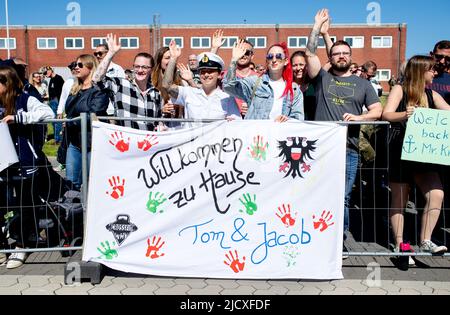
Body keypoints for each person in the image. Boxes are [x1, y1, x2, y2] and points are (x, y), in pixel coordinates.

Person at [305, 9, 382, 235]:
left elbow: (377, 110)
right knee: (316, 192)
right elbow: (310, 53)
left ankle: (339, 238)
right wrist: (317, 28)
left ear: (350, 56)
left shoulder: (363, 84)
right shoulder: (322, 78)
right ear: (330, 57)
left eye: (345, 53)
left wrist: (360, 117)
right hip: (321, 148)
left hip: (349, 149)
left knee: (343, 196)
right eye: (336, 53)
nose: (340, 56)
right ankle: (316, 234)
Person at [382, 55, 450, 258]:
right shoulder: (399, 89)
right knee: (400, 198)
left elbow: (448, 111)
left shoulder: (432, 94)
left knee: (436, 194)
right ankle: (400, 244)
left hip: (425, 154)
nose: (435, 73)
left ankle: (426, 240)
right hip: (400, 151)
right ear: (421, 71)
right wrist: (405, 114)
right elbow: (386, 114)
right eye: (431, 69)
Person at [0, 65, 54, 269]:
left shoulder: (26, 99)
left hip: (25, 162)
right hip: (2, 164)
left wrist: (19, 118)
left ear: (7, 83)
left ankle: (21, 245)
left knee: (25, 205)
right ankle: (2, 245)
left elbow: (48, 114)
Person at [92, 34, 162, 131]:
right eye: (137, 66)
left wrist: (161, 127)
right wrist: (110, 53)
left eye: (144, 67)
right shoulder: (120, 85)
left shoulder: (156, 93)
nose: (140, 70)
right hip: (126, 143)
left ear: (151, 69)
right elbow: (96, 80)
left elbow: (159, 120)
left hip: (148, 143)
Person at [223, 40, 304, 122]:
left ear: (286, 61)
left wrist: (287, 120)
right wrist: (234, 60)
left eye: (279, 56)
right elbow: (228, 87)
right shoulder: (255, 82)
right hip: (256, 133)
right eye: (270, 56)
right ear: (267, 60)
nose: (274, 60)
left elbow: (298, 119)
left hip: (279, 133)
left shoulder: (294, 89)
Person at [162, 42, 241, 126]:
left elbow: (236, 126)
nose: (206, 75)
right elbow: (167, 85)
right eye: (203, 72)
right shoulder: (189, 93)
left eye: (210, 72)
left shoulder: (227, 98)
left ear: (219, 75)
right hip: (193, 139)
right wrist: (173, 58)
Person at [65, 55, 109, 189]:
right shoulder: (74, 89)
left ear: (90, 68)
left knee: (95, 183)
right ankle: (73, 209)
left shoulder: (99, 90)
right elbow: (69, 113)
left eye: (80, 65)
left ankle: (92, 210)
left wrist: (71, 122)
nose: (76, 68)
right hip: (74, 143)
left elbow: (94, 114)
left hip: (92, 143)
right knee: (71, 182)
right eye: (75, 65)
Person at [215, 32, 258, 117]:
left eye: (246, 52)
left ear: (252, 56)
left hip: (251, 123)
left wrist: (252, 108)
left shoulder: (259, 78)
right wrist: (214, 48)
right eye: (240, 51)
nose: (242, 55)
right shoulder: (224, 76)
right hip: (228, 123)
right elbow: (208, 70)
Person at [291, 51, 315, 120]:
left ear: (307, 65)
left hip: (312, 127)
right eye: (295, 65)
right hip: (292, 126)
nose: (298, 68)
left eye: (301, 64)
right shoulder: (287, 86)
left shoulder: (314, 84)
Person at [43, 66, 65, 143]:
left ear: (50, 70)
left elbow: (62, 92)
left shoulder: (59, 78)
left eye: (46, 72)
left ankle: (58, 139)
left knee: (57, 120)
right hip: (52, 101)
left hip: (56, 101)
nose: (45, 75)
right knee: (53, 120)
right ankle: (57, 138)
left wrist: (60, 104)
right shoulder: (51, 79)